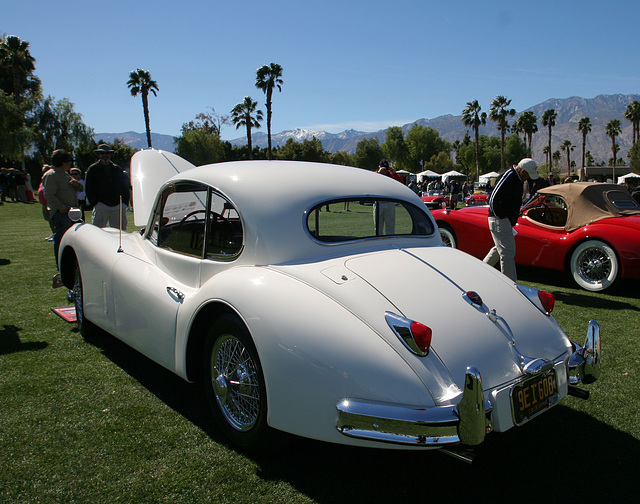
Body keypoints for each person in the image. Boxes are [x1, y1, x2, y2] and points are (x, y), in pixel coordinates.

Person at [483, 158, 539, 282]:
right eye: (528, 175)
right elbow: (492, 199)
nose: (528, 178)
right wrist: (502, 216)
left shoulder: (517, 178)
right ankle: (510, 283)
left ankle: (481, 271)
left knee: (499, 249)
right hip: (499, 219)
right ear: (523, 171)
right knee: (508, 252)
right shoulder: (509, 176)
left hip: (503, 220)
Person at [42, 149, 82, 287]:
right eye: (69, 161)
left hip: (73, 212)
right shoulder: (52, 175)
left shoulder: (64, 175)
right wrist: (62, 208)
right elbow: (50, 196)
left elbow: (79, 189)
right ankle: (61, 265)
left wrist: (75, 185)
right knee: (61, 239)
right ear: (64, 162)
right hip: (62, 213)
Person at [85, 144, 130, 229]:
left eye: (107, 153)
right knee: (98, 232)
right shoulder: (93, 169)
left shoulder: (117, 169)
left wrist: (124, 203)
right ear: (98, 154)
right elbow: (88, 188)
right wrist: (95, 203)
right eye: (102, 153)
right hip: (101, 205)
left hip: (117, 206)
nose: (104, 155)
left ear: (110, 154)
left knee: (120, 234)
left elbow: (125, 186)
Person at [374, 159, 404, 235]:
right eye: (383, 168)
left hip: (390, 203)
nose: (385, 171)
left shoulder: (392, 175)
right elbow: (370, 182)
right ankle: (378, 242)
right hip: (378, 203)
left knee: (390, 227)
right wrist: (379, 173)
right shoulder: (375, 175)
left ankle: (390, 241)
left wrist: (395, 174)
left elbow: (401, 183)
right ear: (379, 167)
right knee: (378, 227)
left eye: (386, 169)